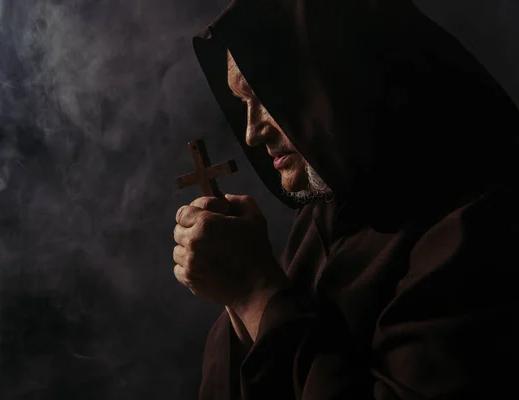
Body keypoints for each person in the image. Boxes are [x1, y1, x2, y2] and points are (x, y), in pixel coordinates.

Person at [173, 0, 519, 398]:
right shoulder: (323, 215)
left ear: (345, 75)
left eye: (269, 93)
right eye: (243, 103)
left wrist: (253, 292)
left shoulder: (482, 222)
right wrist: (235, 291)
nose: (251, 131)